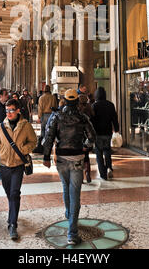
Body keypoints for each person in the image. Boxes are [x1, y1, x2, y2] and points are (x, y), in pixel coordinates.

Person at [42, 89, 96, 246]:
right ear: (77, 102)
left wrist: (46, 157)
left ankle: (68, 214)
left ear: (64, 100)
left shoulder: (57, 116)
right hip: (78, 158)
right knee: (75, 192)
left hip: (61, 158)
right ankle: (72, 233)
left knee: (65, 187)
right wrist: (85, 147)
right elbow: (92, 137)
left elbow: (48, 137)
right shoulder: (82, 117)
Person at [0, 99, 37, 240]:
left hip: (18, 165)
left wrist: (23, 150)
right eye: (7, 110)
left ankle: (13, 224)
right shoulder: (1, 126)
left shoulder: (26, 126)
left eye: (12, 110)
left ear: (18, 110)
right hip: (4, 165)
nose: (9, 113)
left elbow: (33, 142)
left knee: (14, 193)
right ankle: (13, 212)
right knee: (9, 193)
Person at [91, 87, 119, 180]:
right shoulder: (110, 105)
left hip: (97, 132)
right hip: (107, 131)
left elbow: (92, 120)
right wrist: (116, 129)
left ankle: (103, 174)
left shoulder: (94, 106)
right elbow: (114, 118)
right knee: (107, 150)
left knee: (99, 152)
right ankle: (109, 167)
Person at [34, 85, 58, 153]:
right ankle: (49, 146)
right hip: (51, 114)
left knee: (43, 131)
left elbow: (40, 108)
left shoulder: (41, 98)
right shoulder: (53, 97)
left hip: (44, 115)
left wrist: (39, 117)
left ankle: (42, 146)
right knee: (51, 131)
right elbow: (55, 106)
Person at [78, 94, 94, 183]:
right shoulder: (89, 108)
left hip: (79, 136)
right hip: (88, 135)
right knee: (86, 155)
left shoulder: (78, 109)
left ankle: (80, 176)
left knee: (79, 157)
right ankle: (87, 173)